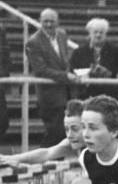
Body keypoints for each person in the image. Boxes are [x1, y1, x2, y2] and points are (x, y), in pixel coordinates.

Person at [25, 8, 78, 146]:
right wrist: (67, 76)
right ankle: (40, 162)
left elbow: (63, 62)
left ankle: (52, 164)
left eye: (52, 21)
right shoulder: (33, 42)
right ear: (40, 22)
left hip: (65, 93)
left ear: (58, 22)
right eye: (45, 21)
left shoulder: (62, 35)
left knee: (60, 135)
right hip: (49, 96)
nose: (49, 24)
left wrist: (73, 74)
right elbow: (41, 70)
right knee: (56, 133)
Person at [69, 17, 118, 101]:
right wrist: (87, 73)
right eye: (95, 32)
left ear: (105, 34)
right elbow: (71, 70)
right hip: (86, 95)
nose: (98, 35)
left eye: (101, 32)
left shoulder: (114, 51)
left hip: (109, 95)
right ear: (89, 34)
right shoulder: (79, 52)